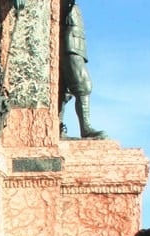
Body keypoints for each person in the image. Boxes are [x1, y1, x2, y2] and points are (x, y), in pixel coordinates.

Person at [58, 0, 105, 139]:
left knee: (65, 88)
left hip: (73, 26)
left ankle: (59, 128)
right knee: (82, 84)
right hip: (67, 30)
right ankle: (85, 128)